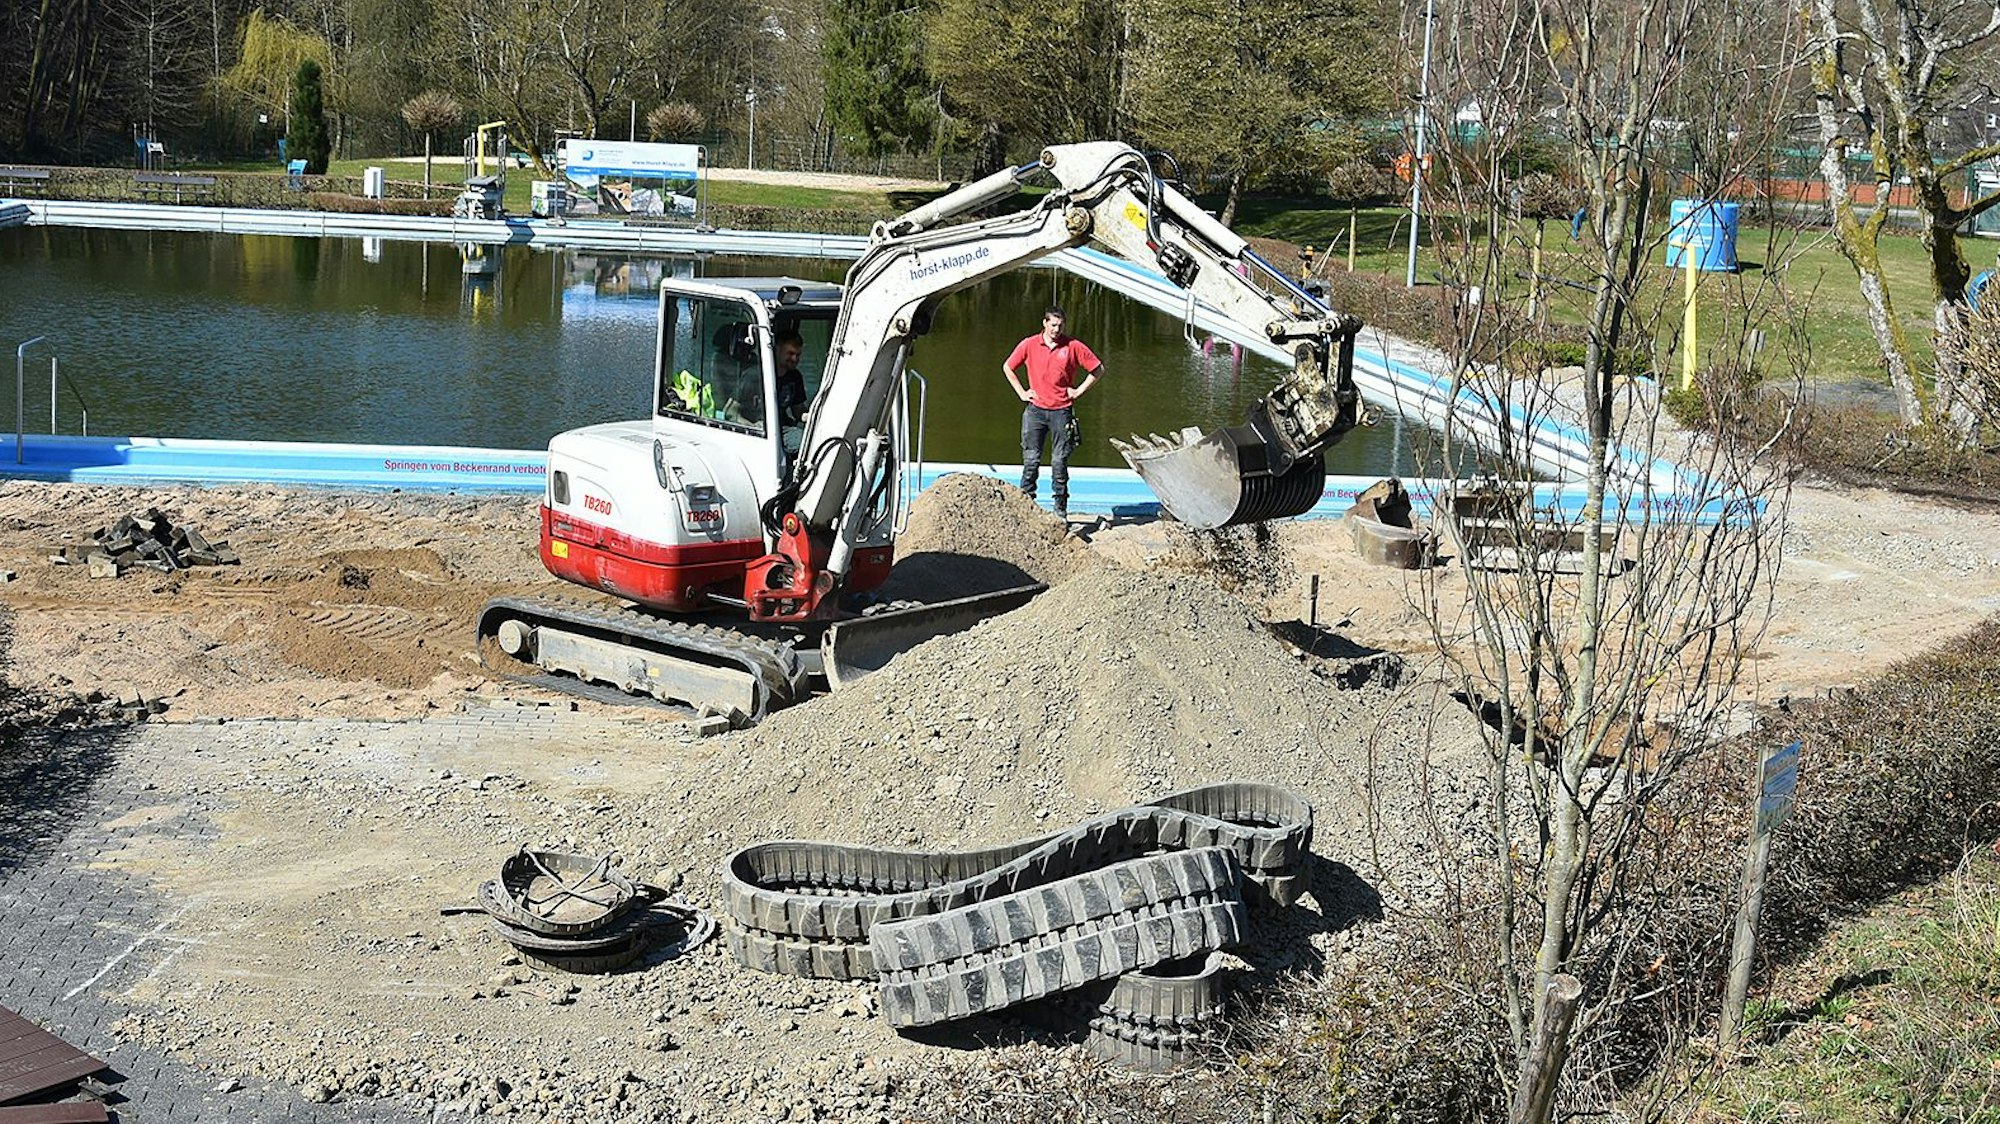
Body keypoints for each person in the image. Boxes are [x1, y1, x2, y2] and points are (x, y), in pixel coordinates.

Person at [1002, 305, 1102, 518]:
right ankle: (1025, 506)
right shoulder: (1029, 344)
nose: (1056, 330)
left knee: (1059, 462)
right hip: (1035, 411)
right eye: (1053, 325)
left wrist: (1078, 391)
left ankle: (1060, 508)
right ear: (1045, 323)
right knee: (1031, 460)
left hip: (1061, 411)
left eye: (1060, 326)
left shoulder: (1072, 346)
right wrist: (1022, 392)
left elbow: (1097, 369)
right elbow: (1008, 367)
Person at [773, 329, 809, 458]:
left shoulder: (795, 377)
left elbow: (798, 411)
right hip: (761, 430)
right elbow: (731, 412)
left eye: (798, 355)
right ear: (778, 349)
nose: (795, 359)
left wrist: (812, 417)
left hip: (783, 428)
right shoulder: (757, 375)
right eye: (790, 353)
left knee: (810, 442)